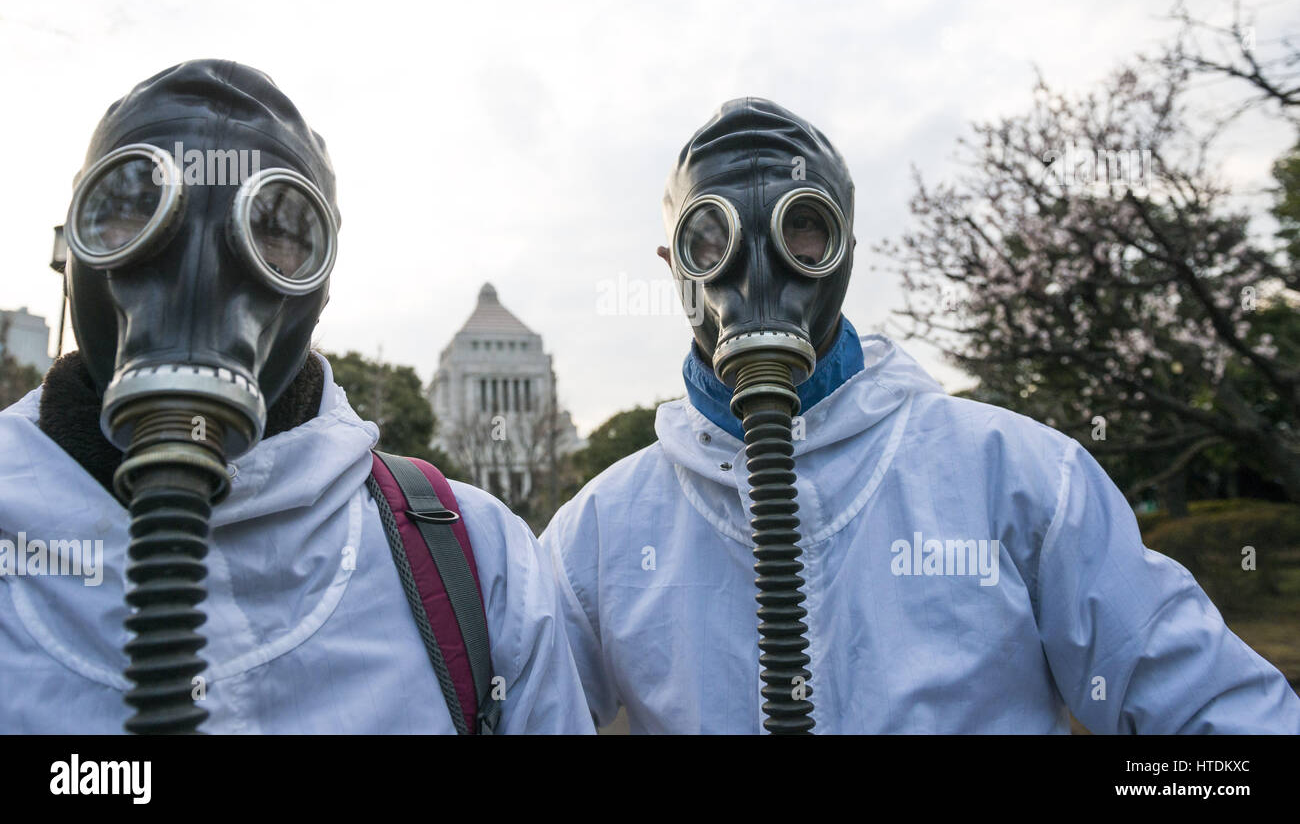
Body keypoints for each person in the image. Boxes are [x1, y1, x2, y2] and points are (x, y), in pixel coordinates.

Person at [541, 96, 1300, 734]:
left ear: (843, 250)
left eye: (801, 225)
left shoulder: (1017, 476)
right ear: (676, 267)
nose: (759, 267)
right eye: (714, 236)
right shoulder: (599, 536)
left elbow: (1218, 718)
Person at [0, 60, 593, 734]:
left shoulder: (482, 560)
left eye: (274, 229)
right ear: (73, 243)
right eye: (135, 210)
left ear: (322, 277)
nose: (199, 270)